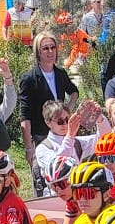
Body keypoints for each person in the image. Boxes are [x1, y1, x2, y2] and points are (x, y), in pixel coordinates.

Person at [17, 32, 78, 162]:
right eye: (45, 48)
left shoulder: (60, 73)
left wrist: (67, 109)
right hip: (41, 137)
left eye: (53, 47)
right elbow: (25, 116)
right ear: (38, 52)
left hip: (61, 135)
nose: (50, 51)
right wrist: (28, 148)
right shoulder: (29, 79)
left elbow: (74, 91)